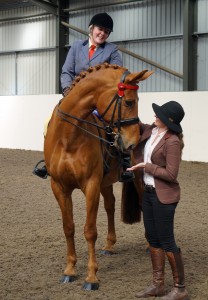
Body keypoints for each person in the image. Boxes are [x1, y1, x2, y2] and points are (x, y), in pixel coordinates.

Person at [33, 12, 134, 182]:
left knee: (115, 125)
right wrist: (67, 90)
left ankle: (124, 161)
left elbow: (117, 74)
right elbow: (67, 71)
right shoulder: (76, 47)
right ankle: (49, 162)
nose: (102, 33)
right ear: (92, 29)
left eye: (107, 32)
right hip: (73, 98)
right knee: (48, 122)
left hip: (98, 101)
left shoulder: (112, 50)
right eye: (100, 29)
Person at [127, 101, 189, 299]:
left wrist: (147, 166)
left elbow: (171, 174)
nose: (155, 116)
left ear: (168, 121)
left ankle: (180, 289)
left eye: (159, 115)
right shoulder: (152, 131)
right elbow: (133, 123)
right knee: (152, 239)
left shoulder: (172, 142)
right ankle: (158, 285)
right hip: (148, 194)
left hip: (164, 196)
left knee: (167, 241)